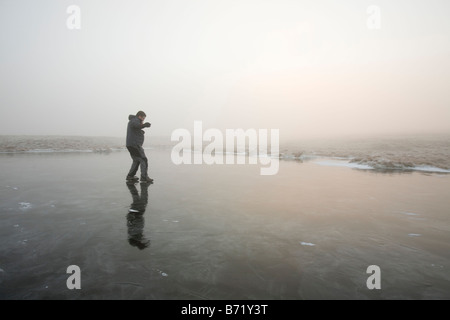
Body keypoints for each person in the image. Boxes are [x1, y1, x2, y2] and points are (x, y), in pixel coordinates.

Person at [126, 111, 153, 183]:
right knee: (143, 159)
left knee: (136, 160)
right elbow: (136, 125)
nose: (143, 119)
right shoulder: (135, 120)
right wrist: (144, 125)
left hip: (131, 144)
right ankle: (144, 177)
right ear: (139, 116)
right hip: (135, 145)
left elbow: (135, 128)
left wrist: (141, 131)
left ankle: (130, 176)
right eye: (143, 118)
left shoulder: (133, 121)